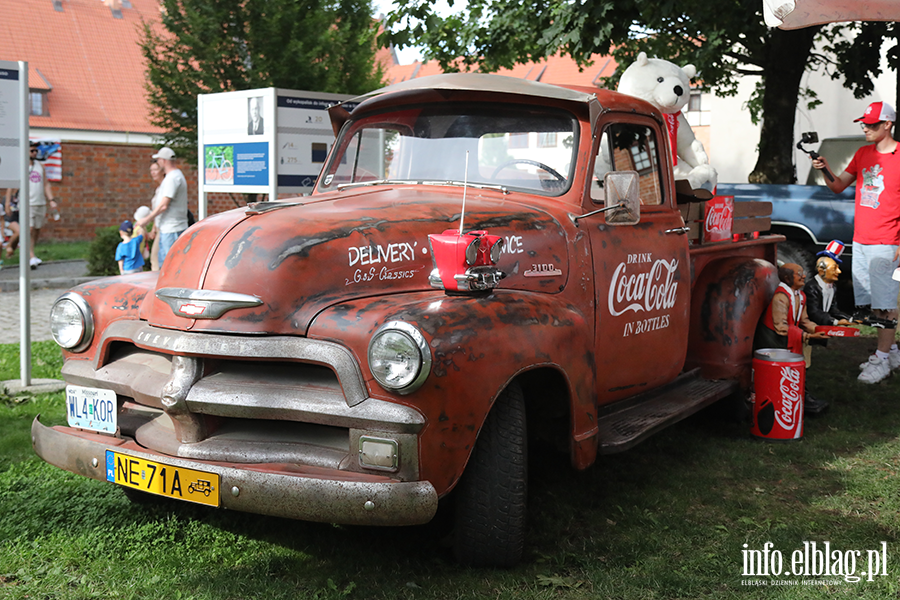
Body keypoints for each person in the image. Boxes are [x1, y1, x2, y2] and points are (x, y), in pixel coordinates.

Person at [812, 100, 900, 384]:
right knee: (874, 302)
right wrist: (825, 168)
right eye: (864, 123)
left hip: (888, 241)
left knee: (886, 304)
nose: (866, 128)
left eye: (872, 124)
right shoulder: (863, 153)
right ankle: (892, 352)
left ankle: (882, 359)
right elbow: (838, 186)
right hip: (861, 240)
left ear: (888, 124)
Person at [755, 263, 830, 414]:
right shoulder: (781, 298)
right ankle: (793, 397)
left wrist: (821, 330)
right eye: (799, 274)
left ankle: (802, 393)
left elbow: (804, 321)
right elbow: (781, 328)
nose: (804, 276)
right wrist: (808, 336)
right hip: (774, 341)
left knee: (804, 357)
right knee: (786, 368)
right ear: (788, 278)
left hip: (789, 337)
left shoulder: (800, 296)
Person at [134, 147, 188, 266]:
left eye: (158, 160)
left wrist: (146, 220)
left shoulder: (173, 178)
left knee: (169, 266)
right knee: (166, 265)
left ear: (163, 161)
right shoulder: (174, 176)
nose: (158, 162)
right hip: (169, 228)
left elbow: (163, 205)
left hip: (172, 229)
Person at [24, 141, 59, 269]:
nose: (34, 153)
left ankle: (29, 251)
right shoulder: (22, 166)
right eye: (32, 151)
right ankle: (30, 256)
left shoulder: (40, 166)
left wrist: (51, 199)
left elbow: (46, 184)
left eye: (35, 151)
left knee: (36, 230)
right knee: (30, 229)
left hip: (40, 202)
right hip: (27, 203)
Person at [804, 240, 853, 327]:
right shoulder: (812, 287)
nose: (839, 271)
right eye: (834, 268)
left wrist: (848, 318)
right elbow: (814, 312)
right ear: (822, 271)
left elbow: (833, 309)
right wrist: (834, 322)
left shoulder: (832, 287)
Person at [3, 188, 20, 261]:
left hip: (17, 219)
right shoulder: (7, 198)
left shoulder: (20, 196)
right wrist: (7, 205)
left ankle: (9, 254)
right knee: (19, 231)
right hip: (8, 220)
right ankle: (8, 245)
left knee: (18, 236)